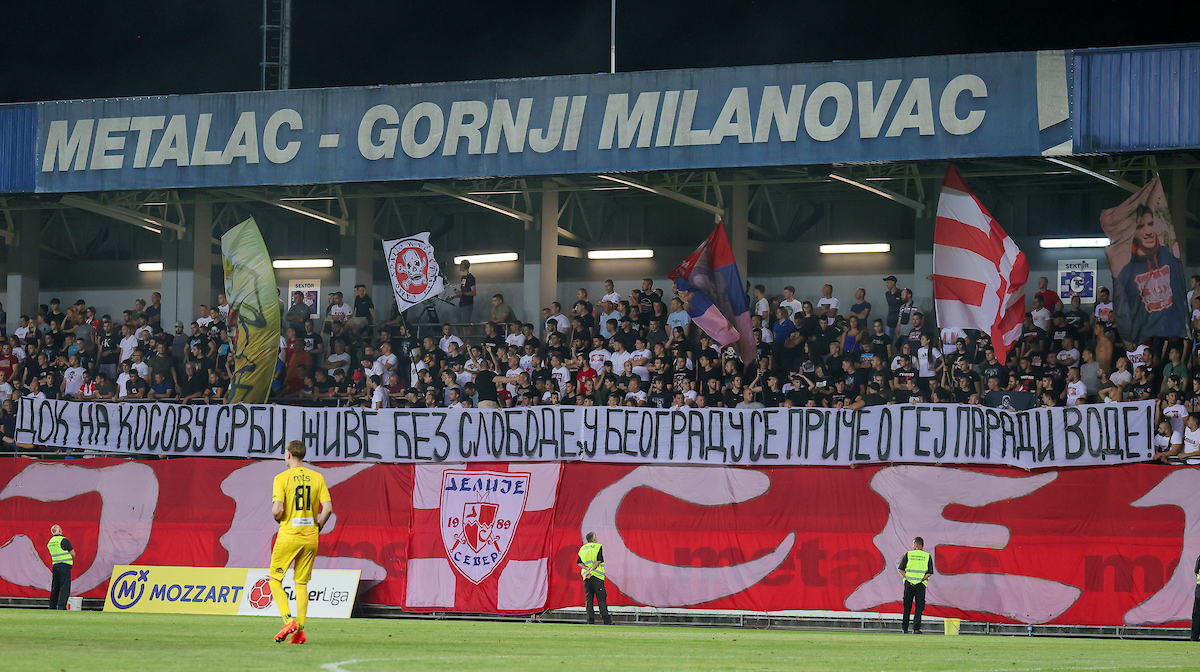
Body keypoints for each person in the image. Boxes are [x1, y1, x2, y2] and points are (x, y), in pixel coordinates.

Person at [268, 440, 333, 644]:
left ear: (288, 455)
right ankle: (300, 631)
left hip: (289, 535)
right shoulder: (317, 477)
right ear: (302, 456)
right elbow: (328, 508)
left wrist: (277, 516)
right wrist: (318, 526)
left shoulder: (281, 478)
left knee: (274, 580)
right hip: (311, 537)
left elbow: (277, 509)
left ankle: (288, 621)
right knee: (301, 584)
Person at [897, 536, 933, 634]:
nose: (912, 546)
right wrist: (920, 579)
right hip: (920, 585)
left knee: (907, 606)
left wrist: (909, 579)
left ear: (916, 544)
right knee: (919, 607)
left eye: (913, 544)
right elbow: (929, 573)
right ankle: (916, 628)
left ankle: (905, 628)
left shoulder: (908, 554)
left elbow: (901, 569)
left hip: (909, 584)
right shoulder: (927, 556)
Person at [577, 531, 612, 625]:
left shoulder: (582, 548)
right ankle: (606, 620)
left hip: (586, 576)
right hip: (597, 576)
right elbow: (599, 560)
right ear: (594, 539)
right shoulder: (598, 546)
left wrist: (587, 569)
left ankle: (590, 620)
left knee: (589, 599)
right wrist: (592, 568)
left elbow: (579, 563)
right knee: (601, 598)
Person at [47, 524, 75, 610]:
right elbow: (73, 553)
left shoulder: (50, 542)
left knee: (55, 586)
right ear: (59, 531)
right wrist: (71, 559)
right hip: (65, 565)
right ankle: (62, 606)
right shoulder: (64, 540)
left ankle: (52, 606)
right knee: (64, 587)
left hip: (55, 565)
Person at [453, 260, 476, 327]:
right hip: (462, 304)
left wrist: (461, 293)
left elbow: (473, 292)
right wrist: (455, 295)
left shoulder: (470, 278)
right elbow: (463, 292)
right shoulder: (463, 278)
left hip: (467, 304)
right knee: (459, 325)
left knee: (466, 325)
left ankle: (467, 337)